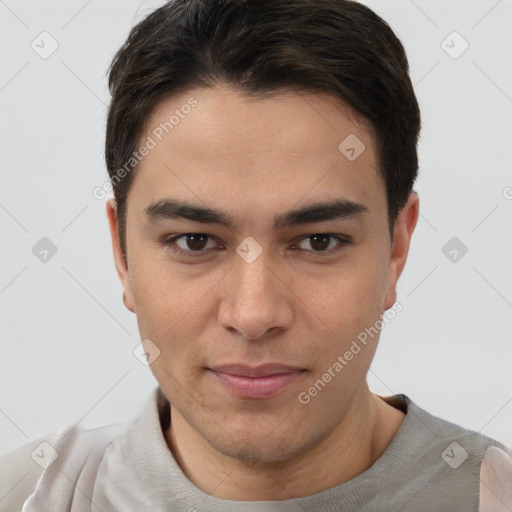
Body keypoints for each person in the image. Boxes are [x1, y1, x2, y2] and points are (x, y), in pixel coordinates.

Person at [1, 0, 511, 510]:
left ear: (397, 247)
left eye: (319, 242)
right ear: (122, 253)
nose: (253, 315)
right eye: (194, 241)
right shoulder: (27, 496)